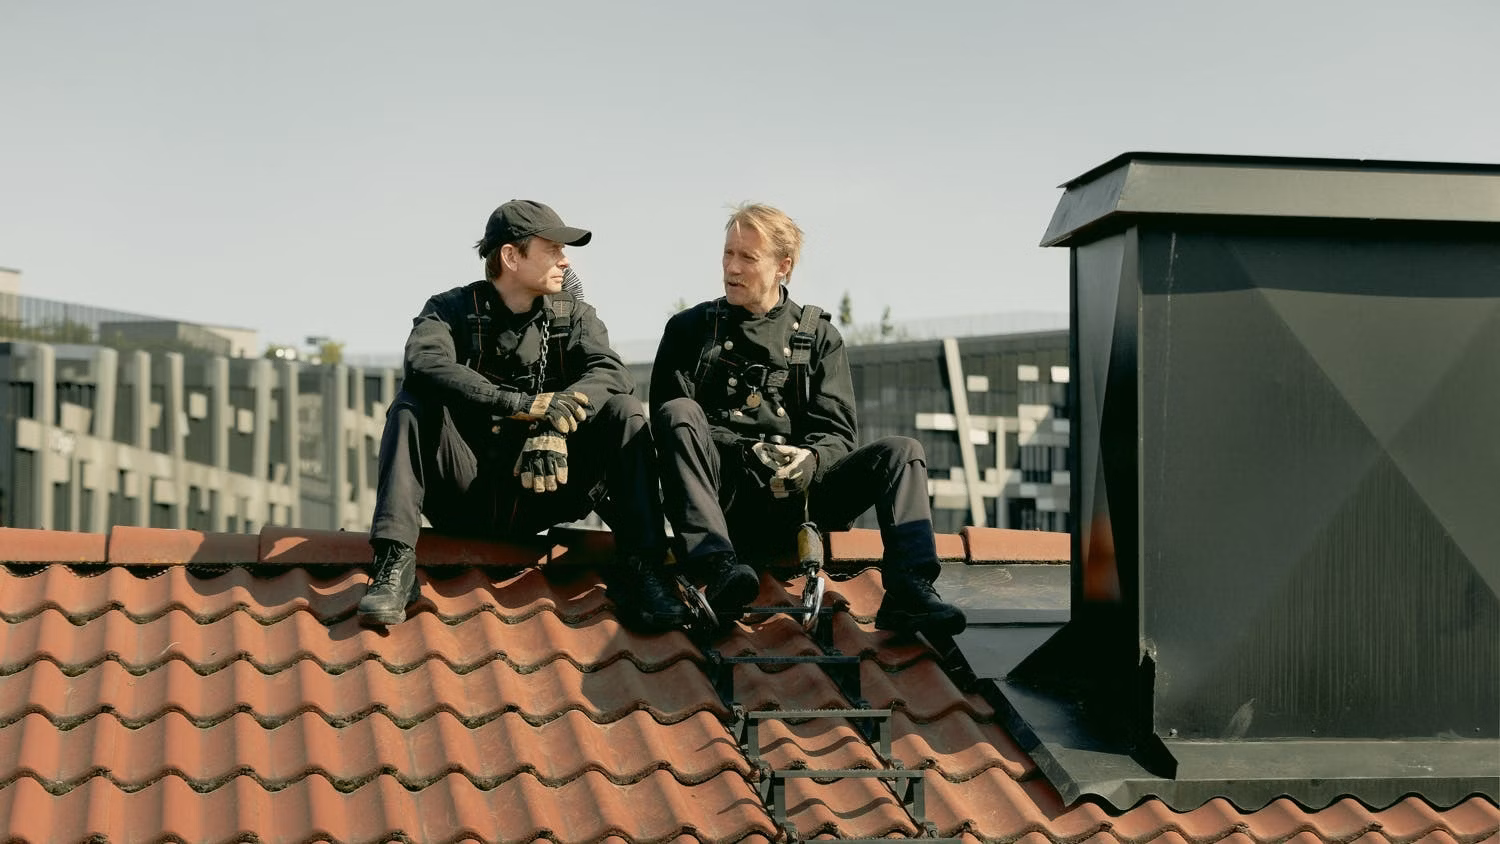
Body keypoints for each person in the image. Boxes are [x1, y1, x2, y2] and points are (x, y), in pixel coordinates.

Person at [360, 199, 688, 632]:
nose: (565, 260)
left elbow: (611, 373)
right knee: (411, 403)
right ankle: (394, 563)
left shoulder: (574, 314)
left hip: (544, 492)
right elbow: (424, 363)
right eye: (552, 249)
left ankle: (644, 568)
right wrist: (517, 405)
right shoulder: (449, 309)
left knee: (625, 410)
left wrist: (553, 420)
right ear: (511, 257)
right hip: (466, 492)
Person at [649, 202, 966, 635]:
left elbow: (839, 435)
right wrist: (745, 450)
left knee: (903, 452)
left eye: (747, 257)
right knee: (678, 411)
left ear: (783, 266)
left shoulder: (818, 337)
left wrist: (810, 461)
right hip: (724, 503)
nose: (732, 268)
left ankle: (909, 592)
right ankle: (717, 570)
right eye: (728, 253)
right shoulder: (689, 331)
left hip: (799, 505)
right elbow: (669, 430)